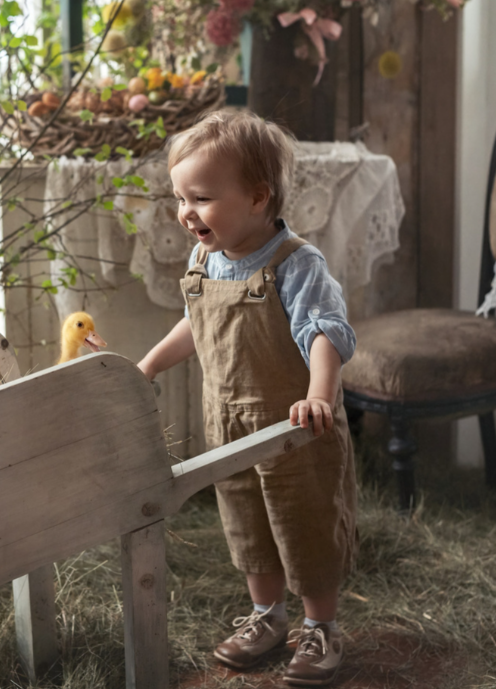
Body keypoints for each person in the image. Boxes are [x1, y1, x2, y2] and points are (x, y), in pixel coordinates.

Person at [137, 108, 358, 686]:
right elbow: (197, 321)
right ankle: (267, 616)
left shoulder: (296, 264)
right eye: (180, 198)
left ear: (258, 197)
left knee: (303, 522)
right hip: (229, 423)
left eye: (202, 199)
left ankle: (321, 627)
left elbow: (325, 334)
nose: (186, 213)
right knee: (246, 522)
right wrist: (151, 364)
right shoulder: (205, 259)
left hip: (293, 429)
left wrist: (318, 397)